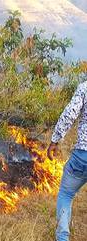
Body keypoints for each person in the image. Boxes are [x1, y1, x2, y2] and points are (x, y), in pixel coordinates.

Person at [47, 82, 87, 241]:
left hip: (82, 156)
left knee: (66, 194)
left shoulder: (85, 87)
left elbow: (70, 113)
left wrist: (54, 140)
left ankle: (62, 238)